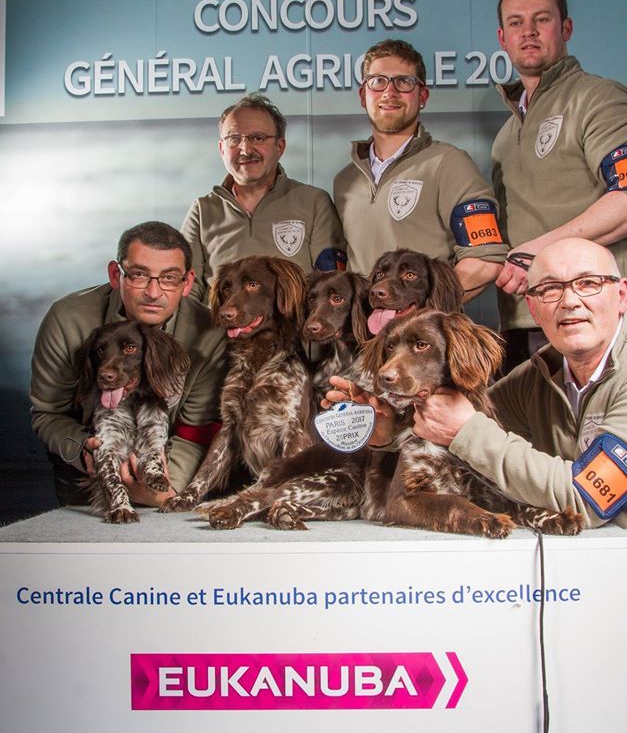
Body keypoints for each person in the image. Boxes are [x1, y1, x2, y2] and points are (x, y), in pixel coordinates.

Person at [409, 238, 627, 535]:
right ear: (532, 307)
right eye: (550, 289)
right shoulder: (538, 374)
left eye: (588, 283)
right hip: (578, 568)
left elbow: (589, 499)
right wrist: (384, 429)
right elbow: (444, 424)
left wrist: (467, 432)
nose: (569, 301)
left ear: (622, 295)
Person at [492, 0, 627, 370]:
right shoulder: (506, 135)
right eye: (516, 23)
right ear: (503, 38)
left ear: (566, 27)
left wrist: (538, 250)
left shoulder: (599, 98)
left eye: (542, 19)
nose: (529, 32)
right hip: (528, 322)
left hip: (602, 319)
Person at [30, 221, 226, 506]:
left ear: (187, 283)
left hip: (166, 456)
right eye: (138, 275)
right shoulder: (67, 319)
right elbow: (48, 413)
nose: (154, 292)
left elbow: (195, 430)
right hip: (91, 462)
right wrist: (83, 449)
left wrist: (167, 492)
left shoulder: (209, 334)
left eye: (169, 278)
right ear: (115, 274)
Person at [333, 39, 508, 300]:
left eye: (404, 82)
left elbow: (485, 260)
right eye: (378, 81)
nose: (389, 92)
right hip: (364, 338)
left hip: (422, 336)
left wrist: (419, 310)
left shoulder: (449, 163)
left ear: (422, 96)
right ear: (363, 95)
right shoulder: (345, 181)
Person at [181, 93, 346, 301]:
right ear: (222, 149)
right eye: (234, 139)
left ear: (280, 147)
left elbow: (330, 286)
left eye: (257, 138)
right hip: (219, 332)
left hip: (292, 332)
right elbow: (186, 291)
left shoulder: (314, 203)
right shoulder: (202, 210)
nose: (245, 149)